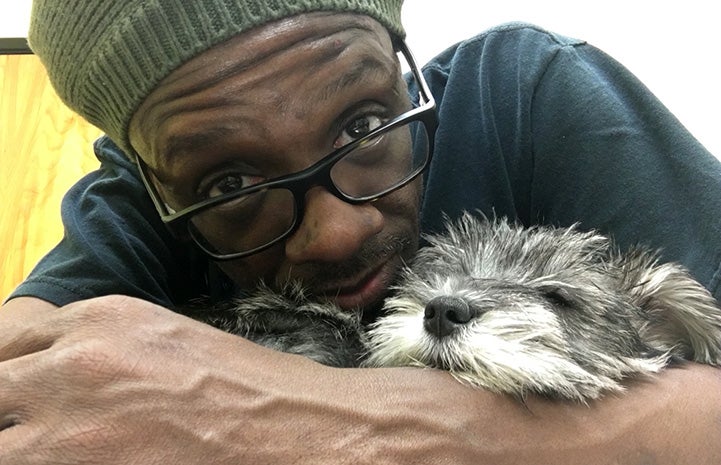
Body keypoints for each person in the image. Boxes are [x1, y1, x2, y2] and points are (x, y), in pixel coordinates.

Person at [2, 0, 720, 463]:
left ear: (403, 67)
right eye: (233, 185)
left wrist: (313, 423)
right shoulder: (143, 205)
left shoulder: (519, 91)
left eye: (365, 124)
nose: (335, 233)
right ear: (151, 180)